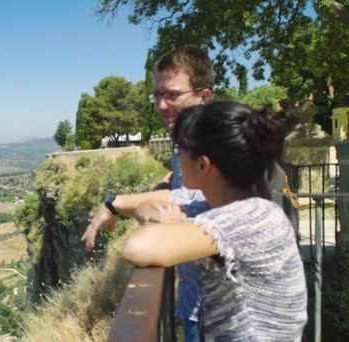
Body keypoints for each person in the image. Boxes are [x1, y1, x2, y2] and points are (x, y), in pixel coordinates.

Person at [123, 102, 307, 340]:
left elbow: (137, 247)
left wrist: (168, 222)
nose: (176, 159)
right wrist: (158, 216)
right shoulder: (223, 206)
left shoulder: (252, 219)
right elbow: (151, 204)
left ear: (202, 164)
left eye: (180, 150)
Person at [81, 45, 212, 341]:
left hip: (219, 318)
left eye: (173, 95)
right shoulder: (187, 143)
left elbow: (189, 203)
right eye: (157, 94)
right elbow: (175, 182)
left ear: (203, 96)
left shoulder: (212, 149)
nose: (162, 105)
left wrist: (119, 205)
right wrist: (152, 194)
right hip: (195, 305)